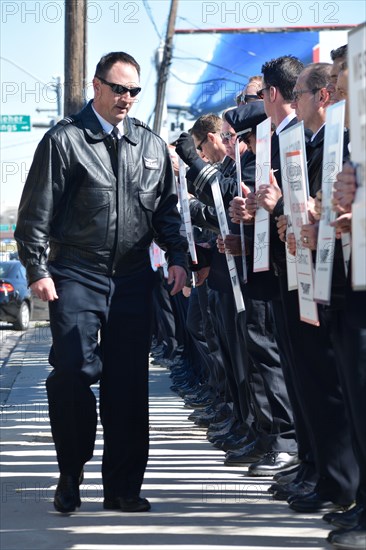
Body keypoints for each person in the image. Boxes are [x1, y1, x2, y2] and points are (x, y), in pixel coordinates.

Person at [14, 51, 187, 514]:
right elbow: (34, 216)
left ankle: (123, 487)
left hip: (132, 279)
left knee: (128, 384)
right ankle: (71, 472)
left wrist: (180, 259)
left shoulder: (152, 147)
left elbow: (169, 213)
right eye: (118, 88)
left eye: (134, 91)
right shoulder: (64, 141)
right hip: (76, 273)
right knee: (72, 372)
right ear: (96, 86)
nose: (126, 98)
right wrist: (37, 271)